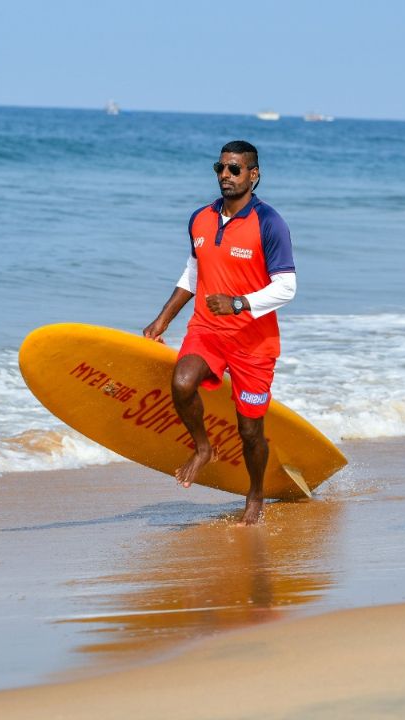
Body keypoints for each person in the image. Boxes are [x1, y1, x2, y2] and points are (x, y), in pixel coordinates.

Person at [143, 140, 297, 525]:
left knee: (249, 431)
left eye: (234, 169)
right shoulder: (200, 219)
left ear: (253, 175)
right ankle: (202, 449)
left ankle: (256, 494)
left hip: (253, 342)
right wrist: (162, 320)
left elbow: (286, 286)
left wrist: (239, 304)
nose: (225, 176)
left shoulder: (270, 223)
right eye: (220, 168)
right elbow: (192, 275)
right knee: (181, 383)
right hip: (207, 330)